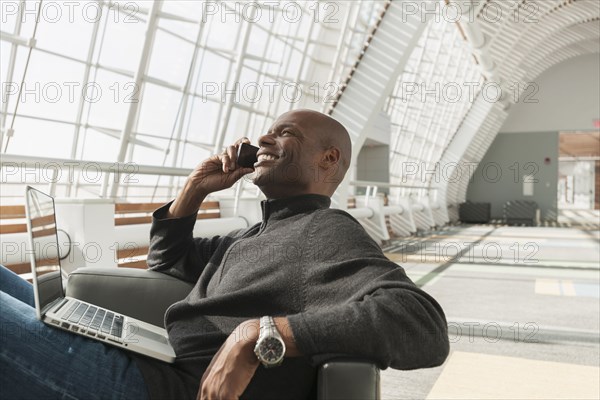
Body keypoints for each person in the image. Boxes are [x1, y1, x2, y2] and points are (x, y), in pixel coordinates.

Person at [0, 109, 449, 400]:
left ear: (328, 159)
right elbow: (168, 261)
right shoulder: (257, 233)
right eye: (266, 132)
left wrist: (259, 335)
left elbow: (421, 323)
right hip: (154, 363)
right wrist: (195, 189)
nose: (263, 140)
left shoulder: (325, 230)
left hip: (161, 388)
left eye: (284, 134)